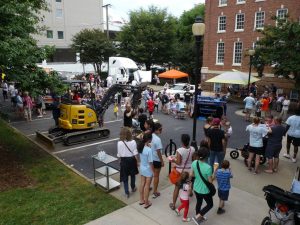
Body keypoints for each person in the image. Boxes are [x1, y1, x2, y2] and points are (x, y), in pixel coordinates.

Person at [169, 134, 195, 211]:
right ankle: (190, 193)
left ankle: (173, 204)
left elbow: (179, 162)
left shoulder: (179, 150)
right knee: (189, 183)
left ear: (182, 141)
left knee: (177, 187)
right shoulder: (192, 149)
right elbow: (193, 160)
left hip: (180, 172)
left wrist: (173, 160)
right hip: (189, 170)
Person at [190, 147, 214, 225]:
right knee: (210, 204)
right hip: (204, 190)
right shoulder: (208, 168)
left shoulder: (194, 162)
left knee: (199, 202)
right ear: (207, 156)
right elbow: (210, 181)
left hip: (196, 188)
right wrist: (214, 175)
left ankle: (198, 216)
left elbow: (191, 174)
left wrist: (198, 176)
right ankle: (198, 216)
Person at [117, 127, 139, 198]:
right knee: (133, 175)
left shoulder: (119, 143)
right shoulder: (133, 142)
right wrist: (137, 161)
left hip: (124, 160)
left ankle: (126, 192)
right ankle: (133, 187)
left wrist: (120, 160)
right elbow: (135, 153)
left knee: (125, 176)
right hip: (132, 160)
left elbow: (119, 154)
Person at [138, 133, 154, 209]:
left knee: (142, 183)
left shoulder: (141, 147)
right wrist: (153, 171)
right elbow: (151, 162)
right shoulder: (149, 150)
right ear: (149, 140)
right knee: (147, 186)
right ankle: (146, 202)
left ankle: (141, 200)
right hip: (148, 169)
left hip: (142, 167)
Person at [151, 122, 164, 199]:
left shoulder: (150, 136)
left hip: (150, 159)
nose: (161, 131)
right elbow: (158, 151)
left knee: (151, 175)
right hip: (156, 159)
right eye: (160, 129)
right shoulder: (157, 139)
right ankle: (155, 191)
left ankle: (150, 188)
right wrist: (162, 160)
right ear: (156, 130)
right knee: (156, 176)